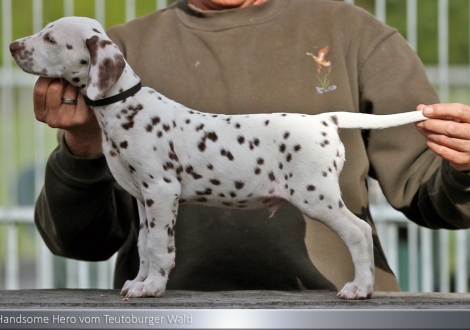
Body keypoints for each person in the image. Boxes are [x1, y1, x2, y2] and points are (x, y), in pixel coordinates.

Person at [33, 0, 470, 292]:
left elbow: (433, 194)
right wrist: (82, 148)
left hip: (332, 313)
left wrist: (465, 167)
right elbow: (79, 243)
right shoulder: (117, 54)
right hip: (169, 315)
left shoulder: (355, 33)